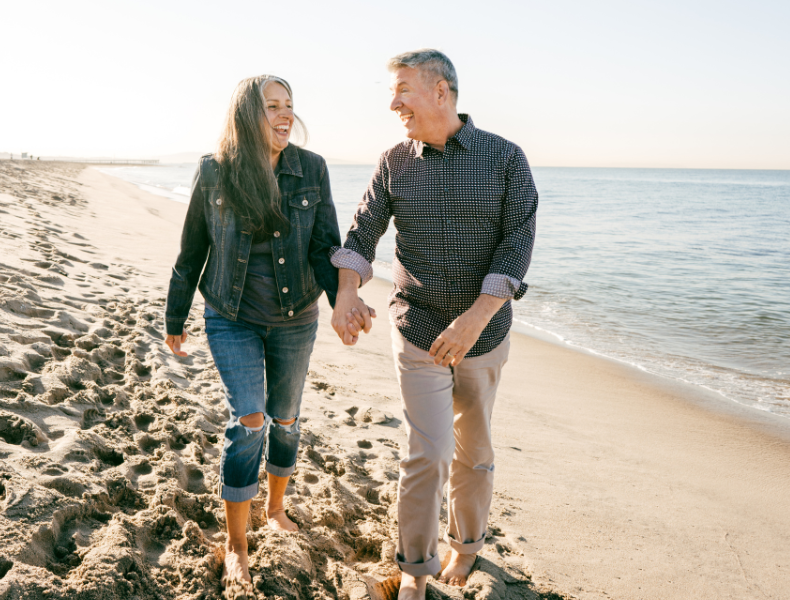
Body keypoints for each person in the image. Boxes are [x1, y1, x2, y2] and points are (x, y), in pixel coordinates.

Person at [331, 50, 537, 599]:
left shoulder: (506, 159)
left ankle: (465, 550)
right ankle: (415, 572)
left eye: (402, 90)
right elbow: (360, 235)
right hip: (417, 328)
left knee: (475, 451)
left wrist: (474, 319)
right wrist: (347, 293)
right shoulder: (395, 161)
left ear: (440, 91)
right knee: (427, 453)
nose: (393, 103)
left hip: (484, 335)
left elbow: (516, 248)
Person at [164, 75, 372, 585]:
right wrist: (175, 316)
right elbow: (193, 249)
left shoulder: (311, 168)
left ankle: (275, 508)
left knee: (286, 419)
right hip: (230, 314)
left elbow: (326, 244)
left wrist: (344, 301)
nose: (284, 114)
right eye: (271, 106)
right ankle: (236, 544)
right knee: (250, 420)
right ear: (245, 115)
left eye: (289, 106)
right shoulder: (215, 172)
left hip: (296, 316)